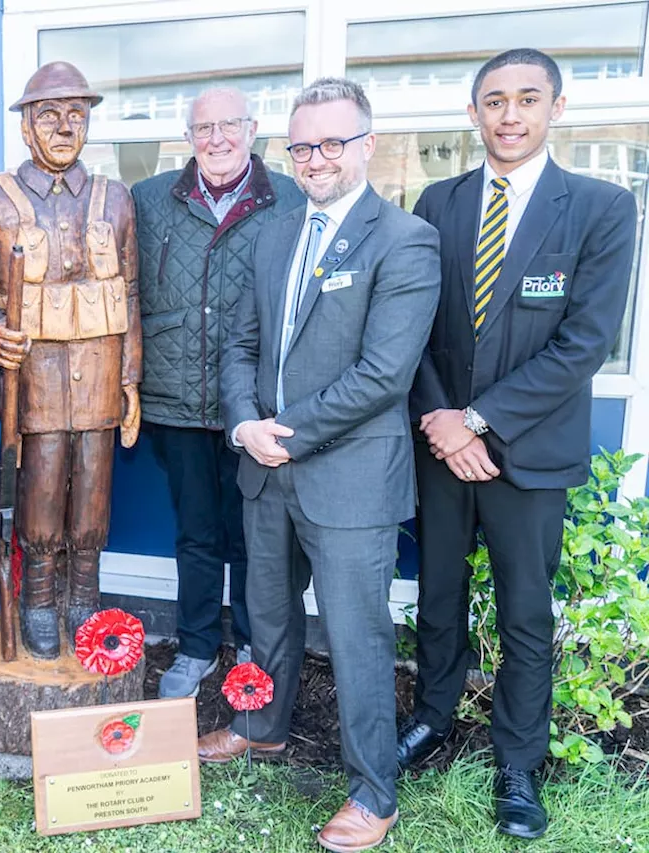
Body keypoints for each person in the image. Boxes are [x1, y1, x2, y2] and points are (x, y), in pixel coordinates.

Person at [400, 48, 637, 840]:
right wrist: (443, 421)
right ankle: (432, 721)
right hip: (442, 448)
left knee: (525, 615)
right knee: (437, 596)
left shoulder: (602, 207)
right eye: (494, 100)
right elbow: (415, 331)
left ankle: (517, 765)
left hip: (529, 454)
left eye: (527, 99)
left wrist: (479, 421)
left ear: (555, 108)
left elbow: (585, 343)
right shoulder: (438, 202)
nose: (509, 114)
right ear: (473, 113)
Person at [202, 77, 439, 853]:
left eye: (332, 142)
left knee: (357, 636)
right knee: (266, 616)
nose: (315, 158)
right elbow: (239, 344)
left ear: (367, 145)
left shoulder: (403, 238)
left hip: (349, 480)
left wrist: (286, 432)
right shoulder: (273, 231)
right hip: (265, 470)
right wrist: (243, 424)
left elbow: (383, 374)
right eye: (302, 145)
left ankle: (374, 789)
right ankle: (261, 725)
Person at [132, 87, 303, 699]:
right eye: (203, 128)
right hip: (176, 403)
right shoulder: (150, 200)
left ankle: (256, 645)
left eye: (229, 125)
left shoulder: (289, 197)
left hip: (257, 405)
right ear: (188, 137)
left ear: (253, 129)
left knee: (257, 534)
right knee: (197, 533)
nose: (217, 139)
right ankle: (199, 646)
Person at [0, 61, 141, 659]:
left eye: (76, 115)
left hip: (99, 377)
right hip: (35, 385)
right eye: (49, 115)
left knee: (93, 487)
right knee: (40, 488)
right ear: (25, 127)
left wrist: (130, 378)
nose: (64, 127)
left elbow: (132, 294)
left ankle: (83, 598)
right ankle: (39, 598)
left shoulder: (114, 199)